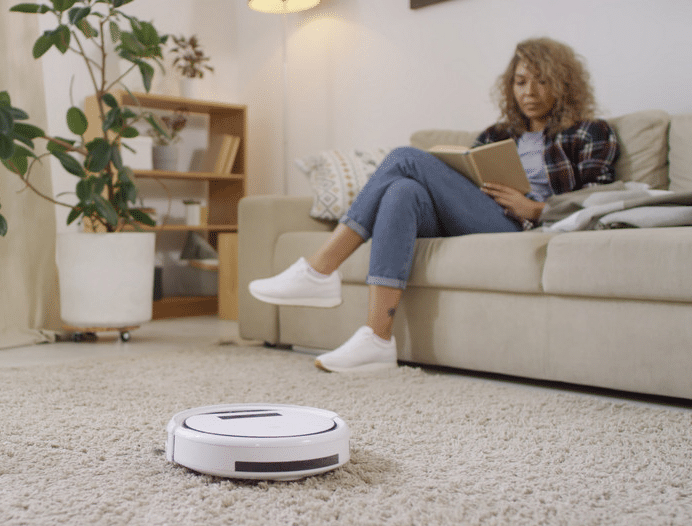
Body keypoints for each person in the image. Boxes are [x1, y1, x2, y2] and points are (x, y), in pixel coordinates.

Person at [248, 37, 619, 373]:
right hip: (479, 213)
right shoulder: (497, 136)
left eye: (541, 80)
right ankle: (376, 340)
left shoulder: (590, 132)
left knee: (405, 158)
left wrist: (536, 209)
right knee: (401, 192)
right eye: (520, 82)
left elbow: (600, 198)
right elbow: (469, 178)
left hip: (522, 224)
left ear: (563, 83)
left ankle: (319, 269)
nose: (529, 92)